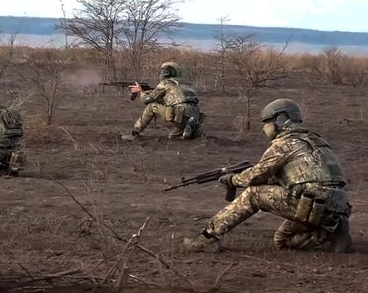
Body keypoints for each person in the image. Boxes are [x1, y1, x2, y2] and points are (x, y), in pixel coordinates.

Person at [182, 98, 352, 253]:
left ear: (280, 119)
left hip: (310, 202)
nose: (265, 127)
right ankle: (329, 234)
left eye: (267, 122)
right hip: (338, 207)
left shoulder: (284, 144)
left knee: (253, 194)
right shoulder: (318, 142)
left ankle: (208, 238)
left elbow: (255, 177)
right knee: (282, 241)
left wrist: (233, 179)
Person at [122, 61, 204, 140]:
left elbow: (147, 100)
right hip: (193, 117)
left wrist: (140, 91)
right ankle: (191, 131)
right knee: (174, 136)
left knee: (151, 107)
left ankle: (135, 132)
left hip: (179, 116)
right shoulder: (187, 84)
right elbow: (175, 98)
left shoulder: (165, 83)